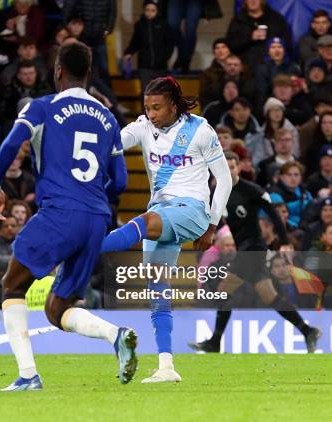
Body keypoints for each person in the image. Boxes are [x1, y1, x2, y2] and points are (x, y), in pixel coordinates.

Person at [0, 41, 132, 391]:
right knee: (58, 307)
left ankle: (27, 375)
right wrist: (94, 199)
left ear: (58, 71)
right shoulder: (108, 117)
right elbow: (123, 181)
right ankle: (117, 335)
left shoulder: (44, 107)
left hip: (60, 212)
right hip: (97, 218)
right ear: (90, 73)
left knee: (12, 285)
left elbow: (10, 144)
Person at [100, 76, 232, 382]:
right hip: (161, 212)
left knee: (145, 222)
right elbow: (118, 143)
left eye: (157, 107)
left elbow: (224, 179)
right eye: (147, 107)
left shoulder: (200, 130)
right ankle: (166, 366)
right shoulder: (144, 127)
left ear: (173, 104)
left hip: (193, 211)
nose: (151, 114)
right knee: (157, 290)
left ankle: (86, 247)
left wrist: (212, 224)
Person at [188, 152, 321, 353]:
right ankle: (307, 330)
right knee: (270, 297)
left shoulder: (251, 190)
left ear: (239, 168)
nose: (229, 171)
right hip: (245, 249)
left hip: (253, 249)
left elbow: (275, 216)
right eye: (224, 167)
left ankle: (215, 342)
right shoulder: (218, 192)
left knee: (224, 290)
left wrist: (284, 242)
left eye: (232, 167)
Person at [226, 0, 292, 74]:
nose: (252, 1)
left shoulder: (276, 19)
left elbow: (287, 43)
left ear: (262, 1)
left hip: (273, 70)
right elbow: (231, 45)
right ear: (245, 2)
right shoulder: (238, 21)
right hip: (246, 71)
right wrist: (250, 37)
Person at [122, 0, 174, 92]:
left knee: (160, 92)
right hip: (144, 66)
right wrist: (128, 52)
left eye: (152, 10)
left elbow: (170, 43)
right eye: (147, 10)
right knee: (146, 92)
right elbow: (135, 42)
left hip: (160, 66)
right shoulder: (139, 25)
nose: (149, 13)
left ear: (157, 11)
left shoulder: (164, 25)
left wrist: (164, 57)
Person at [269, 161, 312, 228]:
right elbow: (280, 215)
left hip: (305, 227)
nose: (293, 178)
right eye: (289, 175)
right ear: (282, 177)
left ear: (301, 177)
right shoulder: (274, 194)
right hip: (286, 228)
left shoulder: (305, 193)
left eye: (296, 175)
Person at [199, 38, 232, 108]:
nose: (220, 50)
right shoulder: (207, 73)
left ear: (229, 50)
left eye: (223, 47)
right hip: (215, 109)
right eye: (217, 48)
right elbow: (204, 96)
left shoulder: (238, 69)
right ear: (214, 52)